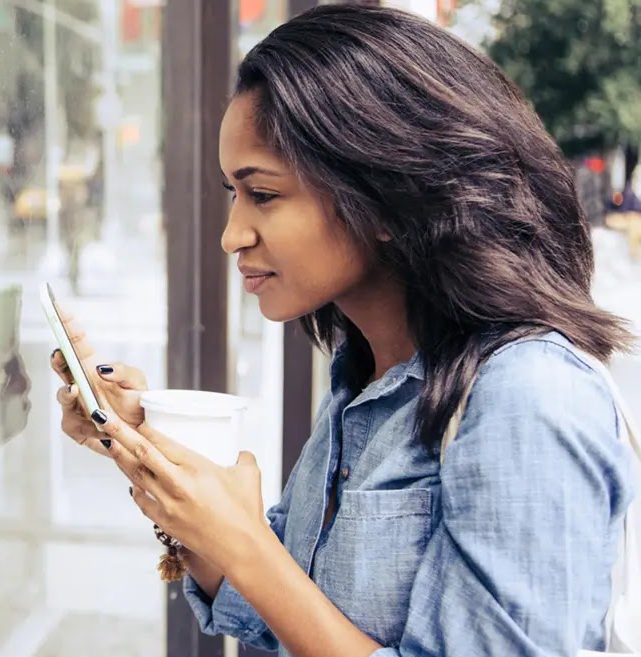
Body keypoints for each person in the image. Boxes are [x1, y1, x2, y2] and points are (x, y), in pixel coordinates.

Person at [53, 6, 635, 656]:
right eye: (232, 195)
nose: (231, 234)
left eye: (263, 195)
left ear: (384, 194)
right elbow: (284, 610)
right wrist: (146, 447)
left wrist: (244, 544)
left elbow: (267, 577)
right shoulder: (366, 372)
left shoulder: (528, 396)